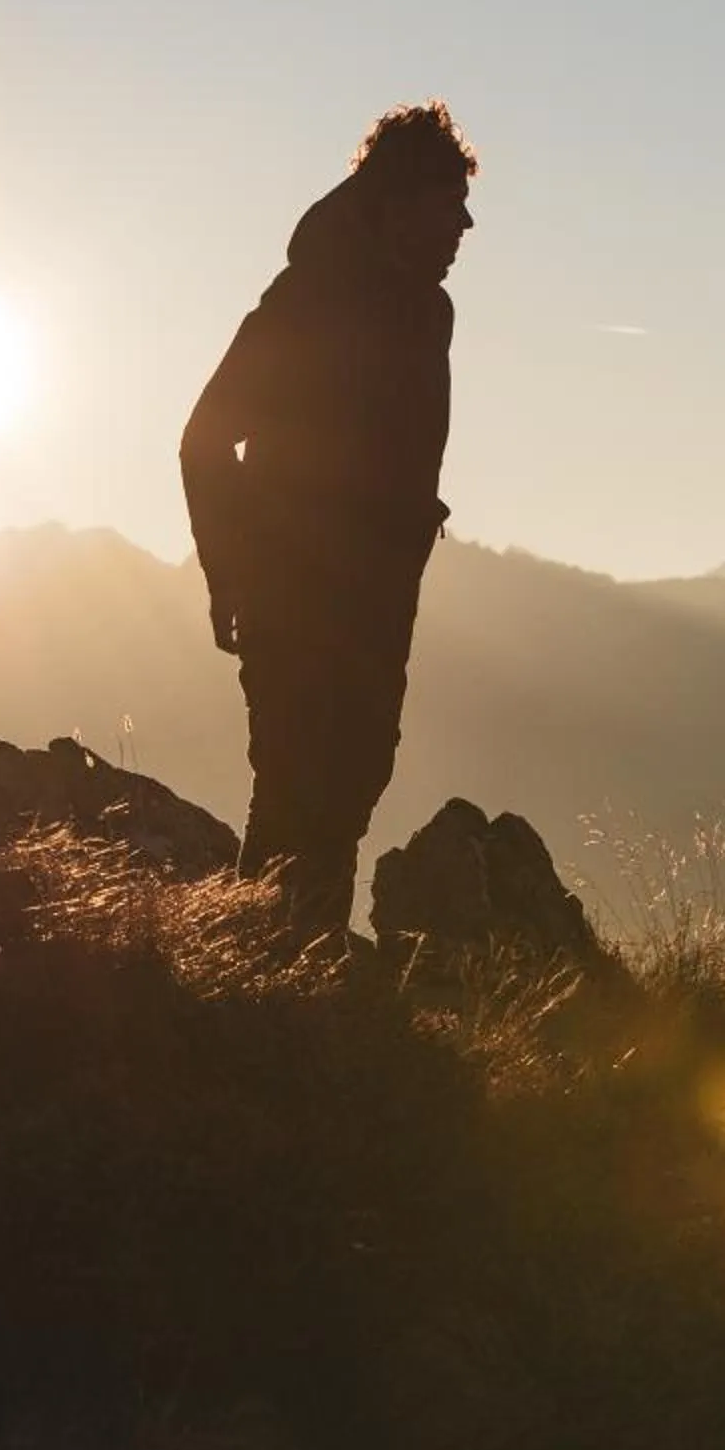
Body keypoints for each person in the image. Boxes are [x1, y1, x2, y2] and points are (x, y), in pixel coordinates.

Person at [180, 103, 478, 942]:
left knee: (350, 785)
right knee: (294, 791)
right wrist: (232, 575)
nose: (465, 221)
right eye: (449, 200)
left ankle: (301, 981)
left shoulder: (428, 312)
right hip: (294, 599)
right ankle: (258, 986)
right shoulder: (308, 301)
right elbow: (204, 438)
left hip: (379, 604)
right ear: (397, 200)